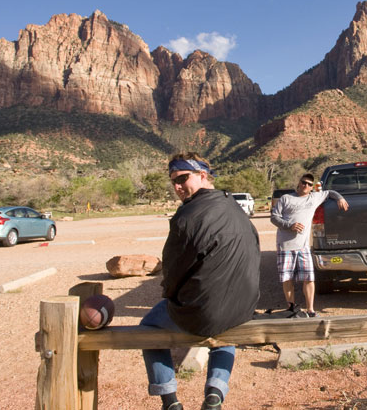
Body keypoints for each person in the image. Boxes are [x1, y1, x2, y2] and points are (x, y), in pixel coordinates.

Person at [141, 153, 260, 410]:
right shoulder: (235, 209)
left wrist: (171, 296)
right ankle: (215, 394)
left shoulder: (187, 216)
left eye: (183, 178)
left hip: (202, 312)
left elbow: (172, 271)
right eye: (173, 181)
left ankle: (169, 400)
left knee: (148, 330)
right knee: (226, 333)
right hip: (242, 308)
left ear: (202, 175)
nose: (177, 186)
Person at [271, 173, 349, 316]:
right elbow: (274, 217)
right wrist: (289, 225)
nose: (306, 186)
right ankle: (291, 308)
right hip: (285, 246)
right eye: (304, 182)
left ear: (312, 187)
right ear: (299, 183)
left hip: (303, 247)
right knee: (287, 279)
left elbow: (330, 192)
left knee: (309, 278)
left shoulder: (314, 197)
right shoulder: (286, 199)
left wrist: (340, 198)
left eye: (309, 184)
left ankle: (310, 309)